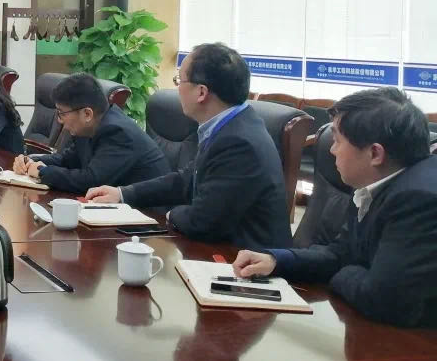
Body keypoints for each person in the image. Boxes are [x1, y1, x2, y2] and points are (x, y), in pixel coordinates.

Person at [233, 87, 437, 327]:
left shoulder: (420, 200)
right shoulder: (373, 181)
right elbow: (341, 253)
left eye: (338, 141)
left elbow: (383, 300)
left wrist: (344, 271)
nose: (331, 150)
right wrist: (276, 261)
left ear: (375, 153)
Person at [87, 42, 292, 249]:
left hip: (243, 257)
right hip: (222, 248)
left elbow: (202, 221)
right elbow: (186, 180)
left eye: (180, 80)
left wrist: (168, 215)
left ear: (201, 92)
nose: (178, 89)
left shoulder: (238, 142)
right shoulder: (229, 126)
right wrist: (122, 194)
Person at [12, 73, 170, 193]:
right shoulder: (89, 127)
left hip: (150, 216)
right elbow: (67, 160)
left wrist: (43, 172)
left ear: (87, 114)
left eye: (61, 113)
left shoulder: (117, 132)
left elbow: (91, 181)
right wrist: (31, 161)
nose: (59, 121)